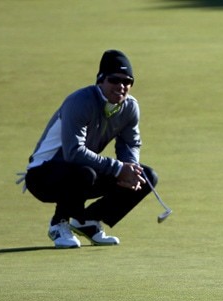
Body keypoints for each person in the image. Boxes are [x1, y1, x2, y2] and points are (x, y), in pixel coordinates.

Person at [21, 49, 158, 248]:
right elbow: (74, 152)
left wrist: (131, 168)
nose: (121, 86)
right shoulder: (80, 101)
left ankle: (88, 221)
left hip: (81, 172)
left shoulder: (129, 107)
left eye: (127, 82)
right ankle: (58, 224)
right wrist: (119, 169)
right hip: (43, 176)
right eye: (114, 80)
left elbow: (130, 143)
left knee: (146, 176)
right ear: (101, 80)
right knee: (85, 173)